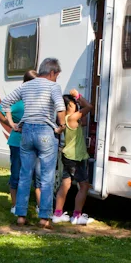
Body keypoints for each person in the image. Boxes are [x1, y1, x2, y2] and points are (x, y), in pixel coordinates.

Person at [0, 57, 66, 229]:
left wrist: (12, 124)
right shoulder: (53, 87)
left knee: (24, 175)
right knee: (46, 177)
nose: (56, 78)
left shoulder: (26, 86)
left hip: (26, 132)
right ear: (51, 72)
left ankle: (20, 216)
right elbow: (60, 107)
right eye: (56, 75)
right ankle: (44, 218)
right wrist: (62, 126)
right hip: (45, 132)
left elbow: (5, 103)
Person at [0, 69, 41, 214]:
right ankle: (15, 206)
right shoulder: (18, 98)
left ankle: (40, 207)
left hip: (35, 142)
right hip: (17, 142)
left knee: (38, 175)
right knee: (17, 174)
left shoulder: (38, 99)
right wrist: (10, 124)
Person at [53, 88, 93, 226]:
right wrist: (78, 96)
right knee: (84, 186)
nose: (76, 104)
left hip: (67, 156)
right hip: (76, 157)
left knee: (65, 184)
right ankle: (77, 216)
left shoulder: (65, 119)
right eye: (74, 103)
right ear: (69, 106)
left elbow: (85, 121)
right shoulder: (72, 118)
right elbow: (89, 107)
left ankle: (57, 214)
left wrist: (79, 104)